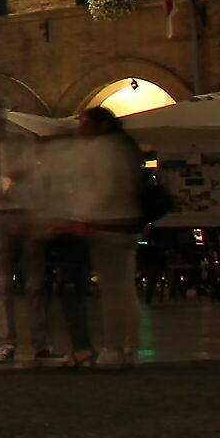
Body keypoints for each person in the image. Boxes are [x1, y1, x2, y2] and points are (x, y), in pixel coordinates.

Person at [56, 107, 146, 367]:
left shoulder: (103, 149)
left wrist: (80, 213)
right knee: (124, 289)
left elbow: (103, 188)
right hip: (127, 223)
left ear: (100, 125)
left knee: (112, 291)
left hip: (107, 224)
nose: (80, 126)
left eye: (84, 121)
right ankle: (131, 345)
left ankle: (114, 348)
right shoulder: (125, 147)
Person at [0, 99, 48, 365]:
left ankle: (40, 342)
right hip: (1, 216)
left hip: (26, 212)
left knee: (33, 281)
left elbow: (34, 175)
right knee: (3, 281)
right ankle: (7, 342)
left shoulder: (21, 141)